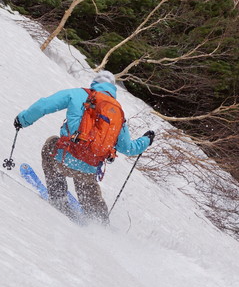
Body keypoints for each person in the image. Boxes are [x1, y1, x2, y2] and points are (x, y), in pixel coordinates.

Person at [14, 70, 154, 223]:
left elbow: (44, 105)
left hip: (64, 159)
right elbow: (128, 148)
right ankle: (100, 222)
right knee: (87, 186)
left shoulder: (78, 94)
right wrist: (146, 139)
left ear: (95, 83)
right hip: (89, 168)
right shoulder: (117, 112)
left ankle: (58, 197)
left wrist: (22, 120)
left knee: (51, 144)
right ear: (113, 88)